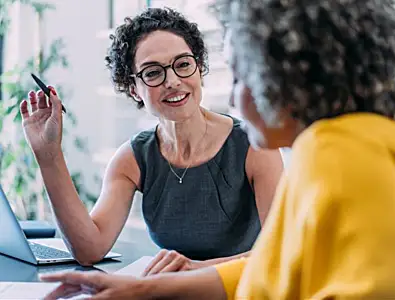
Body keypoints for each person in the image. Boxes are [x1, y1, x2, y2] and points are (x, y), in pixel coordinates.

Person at [40, 0, 395, 299]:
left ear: (287, 78)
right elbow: (276, 264)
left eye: (242, 76)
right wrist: (145, 289)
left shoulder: (343, 159)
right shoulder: (336, 149)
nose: (232, 97)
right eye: (153, 73)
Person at [19, 7, 283, 273]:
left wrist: (195, 270)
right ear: (134, 89)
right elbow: (89, 249)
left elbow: (281, 252)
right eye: (153, 72)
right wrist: (48, 155)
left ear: (199, 68)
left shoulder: (255, 145)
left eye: (182, 64)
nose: (172, 81)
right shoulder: (132, 158)